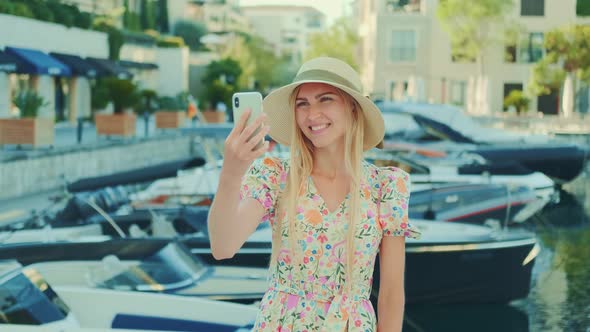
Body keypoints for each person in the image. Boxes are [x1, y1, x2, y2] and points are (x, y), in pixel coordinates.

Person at [208, 57, 421, 332]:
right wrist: (231, 173)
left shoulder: (386, 187)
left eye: (326, 99)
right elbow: (223, 247)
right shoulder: (276, 175)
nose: (312, 114)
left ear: (353, 108)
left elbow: (391, 293)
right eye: (302, 103)